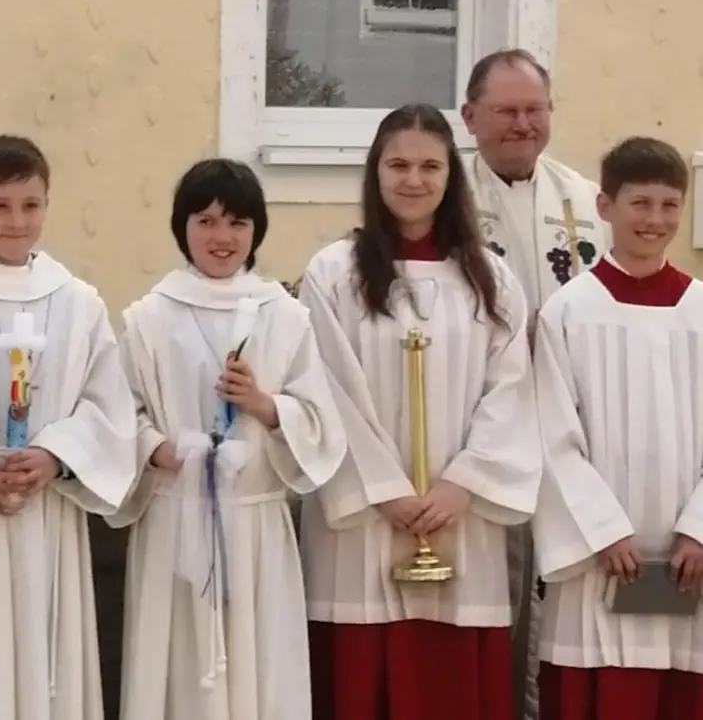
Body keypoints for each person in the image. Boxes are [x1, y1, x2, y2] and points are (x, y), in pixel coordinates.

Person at [299, 104, 541, 720]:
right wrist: (385, 492)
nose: (414, 180)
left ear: (450, 177)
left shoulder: (492, 280)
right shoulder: (332, 275)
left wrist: (463, 484)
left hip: (462, 520)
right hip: (360, 525)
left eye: (430, 166)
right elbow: (323, 389)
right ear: (374, 174)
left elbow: (513, 390)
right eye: (399, 164)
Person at [111, 158, 346, 720]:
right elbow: (119, 412)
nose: (222, 237)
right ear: (181, 227)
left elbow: (321, 422)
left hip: (255, 524)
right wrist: (155, 449)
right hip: (174, 519)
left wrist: (266, 407)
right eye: (206, 220)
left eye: (238, 223)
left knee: (256, 673)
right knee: (176, 671)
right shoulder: (148, 318)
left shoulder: (286, 317)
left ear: (256, 231)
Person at [0, 135, 138, 720]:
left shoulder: (78, 302)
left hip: (48, 511)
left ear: (47, 205)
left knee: (48, 666)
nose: (16, 221)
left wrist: (56, 456)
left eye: (31, 204)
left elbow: (109, 406)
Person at [532, 137, 703, 720]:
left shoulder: (701, 310)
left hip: (690, 565)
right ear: (605, 207)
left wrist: (699, 529)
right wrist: (602, 530)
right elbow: (551, 434)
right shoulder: (569, 312)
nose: (655, 220)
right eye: (640, 203)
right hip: (599, 562)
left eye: (669, 205)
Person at [460, 48, 609, 719]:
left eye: (534, 109)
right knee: (501, 590)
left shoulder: (585, 201)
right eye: (506, 111)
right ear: (469, 118)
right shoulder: (445, 200)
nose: (522, 124)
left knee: (567, 596)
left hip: (573, 427)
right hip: (483, 428)